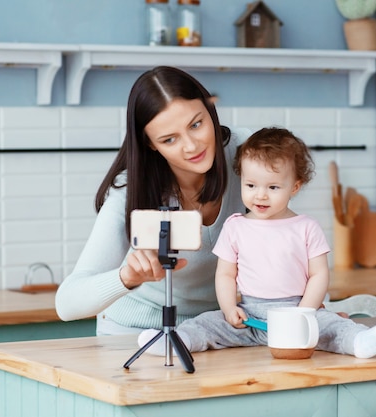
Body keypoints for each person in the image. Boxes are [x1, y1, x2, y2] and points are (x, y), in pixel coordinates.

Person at [138, 127, 376, 358]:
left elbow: (319, 275)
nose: (259, 195)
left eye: (273, 188)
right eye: (251, 185)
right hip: (250, 316)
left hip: (299, 311)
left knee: (333, 326)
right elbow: (226, 275)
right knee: (205, 323)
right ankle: (174, 341)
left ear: (294, 187)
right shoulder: (235, 226)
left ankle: (360, 341)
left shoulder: (307, 227)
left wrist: (304, 313)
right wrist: (229, 309)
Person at [55, 66, 251, 335]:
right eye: (170, 139)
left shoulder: (246, 154)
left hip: (217, 330)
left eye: (196, 124)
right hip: (134, 331)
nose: (192, 146)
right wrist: (128, 277)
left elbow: (290, 238)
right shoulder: (130, 189)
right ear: (151, 145)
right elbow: (67, 304)